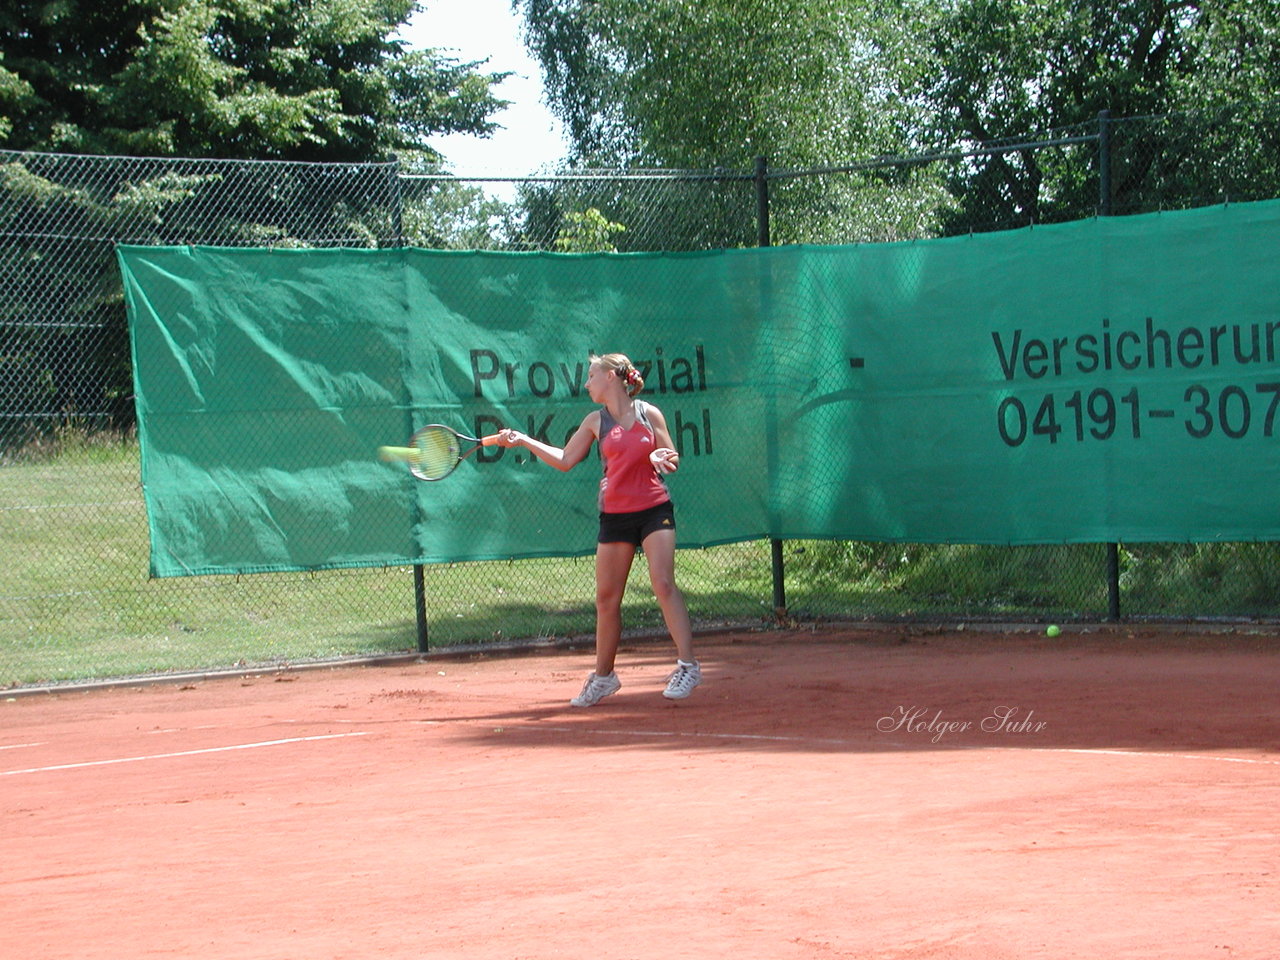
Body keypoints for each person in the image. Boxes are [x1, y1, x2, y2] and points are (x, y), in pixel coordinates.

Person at [495, 352, 701, 707]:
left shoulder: (649, 414)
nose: (587, 383)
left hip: (654, 509)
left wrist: (662, 459)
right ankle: (604, 678)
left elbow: (673, 457)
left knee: (663, 582)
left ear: (611, 377)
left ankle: (688, 666)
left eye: (592, 375)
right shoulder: (595, 421)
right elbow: (564, 460)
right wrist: (524, 440)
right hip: (615, 516)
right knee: (607, 601)